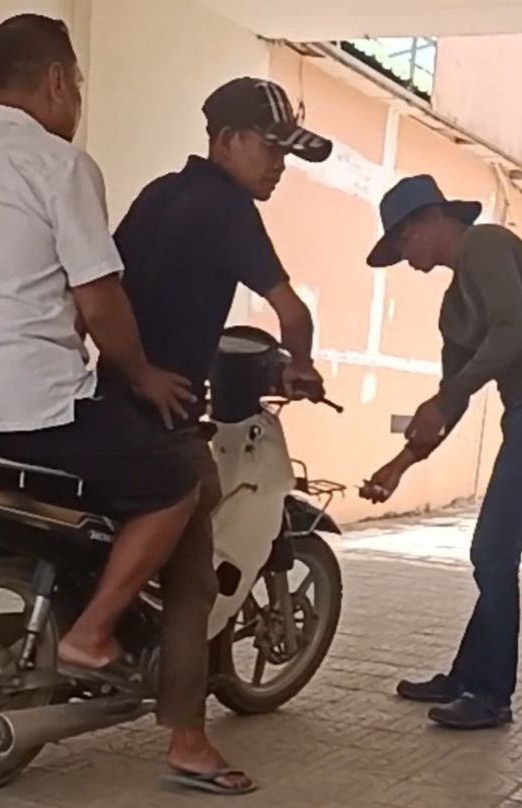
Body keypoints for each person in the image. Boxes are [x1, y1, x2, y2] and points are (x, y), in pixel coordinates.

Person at [0, 14, 200, 688]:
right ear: (56, 81)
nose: (76, 99)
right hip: (32, 408)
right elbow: (98, 299)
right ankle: (91, 632)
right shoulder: (58, 165)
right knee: (175, 478)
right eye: (77, 83)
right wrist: (143, 374)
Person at [101, 77, 332, 794]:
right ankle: (187, 740)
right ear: (227, 140)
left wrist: (131, 369)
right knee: (193, 577)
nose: (279, 166)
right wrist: (299, 365)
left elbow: (104, 291)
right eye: (271, 149)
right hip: (163, 421)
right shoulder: (228, 208)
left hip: (104, 402)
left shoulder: (157, 196)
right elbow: (291, 311)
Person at [360, 174, 522, 729]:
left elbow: (513, 329)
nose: (405, 258)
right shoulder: (453, 309)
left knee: (493, 554)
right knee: (495, 555)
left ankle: (489, 695)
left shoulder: (487, 243)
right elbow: (450, 400)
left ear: (433, 218)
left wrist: (448, 396)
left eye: (404, 241)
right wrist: (400, 465)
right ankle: (470, 676)